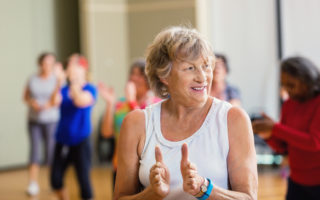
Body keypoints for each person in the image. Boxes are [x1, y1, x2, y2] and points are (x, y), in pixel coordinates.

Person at [113, 26, 257, 200]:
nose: (202, 77)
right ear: (164, 76)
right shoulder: (137, 123)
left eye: (206, 66)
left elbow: (248, 197)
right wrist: (152, 193)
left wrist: (204, 189)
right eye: (190, 68)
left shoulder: (233, 119)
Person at [252, 56, 320, 200]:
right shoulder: (289, 104)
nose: (287, 90)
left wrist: (276, 128)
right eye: (284, 84)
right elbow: (283, 147)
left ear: (307, 79)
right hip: (296, 180)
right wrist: (268, 135)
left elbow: (315, 142)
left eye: (291, 84)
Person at [98, 58, 161, 186]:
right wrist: (110, 104)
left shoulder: (155, 103)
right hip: (119, 165)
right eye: (132, 74)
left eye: (140, 75)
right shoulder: (121, 103)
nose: (134, 78)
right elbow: (106, 133)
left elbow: (147, 130)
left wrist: (132, 102)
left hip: (145, 167)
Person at [50, 54, 97, 200]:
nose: (70, 67)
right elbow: (53, 102)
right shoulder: (63, 89)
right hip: (62, 140)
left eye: (74, 64)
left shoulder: (90, 88)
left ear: (83, 68)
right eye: (69, 64)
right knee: (55, 179)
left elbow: (80, 101)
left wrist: (75, 82)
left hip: (81, 141)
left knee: (83, 181)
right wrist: (58, 82)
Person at [23, 52, 61, 196]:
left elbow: (58, 99)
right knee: (34, 151)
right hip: (34, 121)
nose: (48, 65)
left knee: (51, 152)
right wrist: (32, 102)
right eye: (46, 62)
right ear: (40, 64)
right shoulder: (32, 79)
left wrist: (48, 105)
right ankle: (33, 183)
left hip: (51, 120)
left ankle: (53, 182)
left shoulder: (56, 80)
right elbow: (25, 96)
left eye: (51, 63)